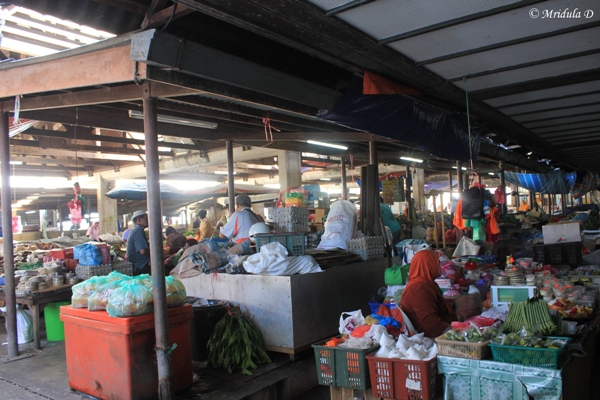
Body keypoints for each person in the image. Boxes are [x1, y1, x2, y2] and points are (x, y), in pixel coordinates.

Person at [400, 250, 457, 338]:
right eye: (436, 263)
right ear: (428, 265)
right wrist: (457, 334)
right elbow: (432, 324)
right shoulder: (418, 289)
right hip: (431, 337)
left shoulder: (427, 284)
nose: (440, 266)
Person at [126, 210, 151, 275]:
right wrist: (154, 253)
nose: (148, 220)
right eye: (146, 219)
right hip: (141, 266)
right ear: (138, 219)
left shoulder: (135, 230)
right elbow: (143, 251)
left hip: (138, 265)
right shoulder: (138, 231)